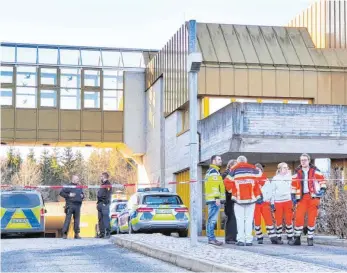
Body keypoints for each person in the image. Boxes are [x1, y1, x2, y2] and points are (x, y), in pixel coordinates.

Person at [289, 153, 327, 246]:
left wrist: (322, 189)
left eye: (305, 160)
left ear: (309, 161)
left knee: (312, 217)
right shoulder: (297, 172)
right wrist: (293, 196)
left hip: (313, 197)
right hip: (301, 198)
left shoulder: (315, 171)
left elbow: (322, 181)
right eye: (301, 160)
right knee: (298, 217)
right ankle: (297, 238)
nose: (303, 162)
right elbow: (293, 186)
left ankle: (310, 238)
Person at [224, 156, 262, 246]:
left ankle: (240, 240)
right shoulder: (253, 169)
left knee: (239, 220)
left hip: (238, 199)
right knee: (249, 220)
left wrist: (232, 191)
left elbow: (226, 181)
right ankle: (249, 240)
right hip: (251, 199)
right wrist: (255, 191)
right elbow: (261, 178)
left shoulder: (234, 169)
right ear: (246, 161)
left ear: (238, 162)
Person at [253, 163, 278, 244]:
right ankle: (259, 237)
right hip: (256, 202)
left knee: (268, 220)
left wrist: (270, 201)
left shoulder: (266, 180)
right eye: (255, 169)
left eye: (259, 169)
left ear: (261, 170)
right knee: (257, 220)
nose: (257, 170)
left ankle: (272, 237)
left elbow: (270, 191)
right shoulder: (252, 180)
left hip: (265, 202)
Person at [204, 155, 225, 246]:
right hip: (214, 199)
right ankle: (211, 239)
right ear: (213, 161)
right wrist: (217, 198)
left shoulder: (212, 171)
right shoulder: (213, 172)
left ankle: (211, 238)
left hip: (212, 199)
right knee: (212, 220)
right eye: (219, 159)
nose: (221, 161)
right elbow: (214, 186)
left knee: (211, 219)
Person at [271, 162, 294, 244]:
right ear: (280, 169)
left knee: (289, 220)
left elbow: (292, 188)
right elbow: (272, 191)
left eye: (287, 167)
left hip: (287, 200)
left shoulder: (290, 178)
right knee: (278, 220)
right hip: (278, 201)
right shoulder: (275, 178)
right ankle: (278, 237)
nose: (286, 169)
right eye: (284, 167)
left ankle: (290, 237)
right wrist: (272, 203)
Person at [60, 175, 85, 239]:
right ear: (73, 179)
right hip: (70, 205)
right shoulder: (68, 186)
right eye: (77, 179)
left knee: (77, 220)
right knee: (68, 220)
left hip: (78, 205)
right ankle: (65, 234)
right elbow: (61, 193)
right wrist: (69, 195)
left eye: (78, 179)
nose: (78, 180)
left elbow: (82, 193)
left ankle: (76, 234)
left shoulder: (79, 186)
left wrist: (82, 196)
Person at [221, 159, 238, 244]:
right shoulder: (226, 174)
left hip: (233, 199)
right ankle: (230, 238)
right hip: (229, 199)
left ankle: (234, 237)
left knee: (234, 218)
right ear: (231, 165)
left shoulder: (233, 174)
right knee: (231, 217)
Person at [97, 172, 113, 239]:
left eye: (101, 176)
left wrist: (105, 202)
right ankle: (102, 233)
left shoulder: (108, 184)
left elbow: (108, 194)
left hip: (104, 204)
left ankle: (108, 232)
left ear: (104, 177)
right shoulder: (102, 184)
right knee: (100, 219)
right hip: (100, 203)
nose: (100, 178)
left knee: (105, 218)